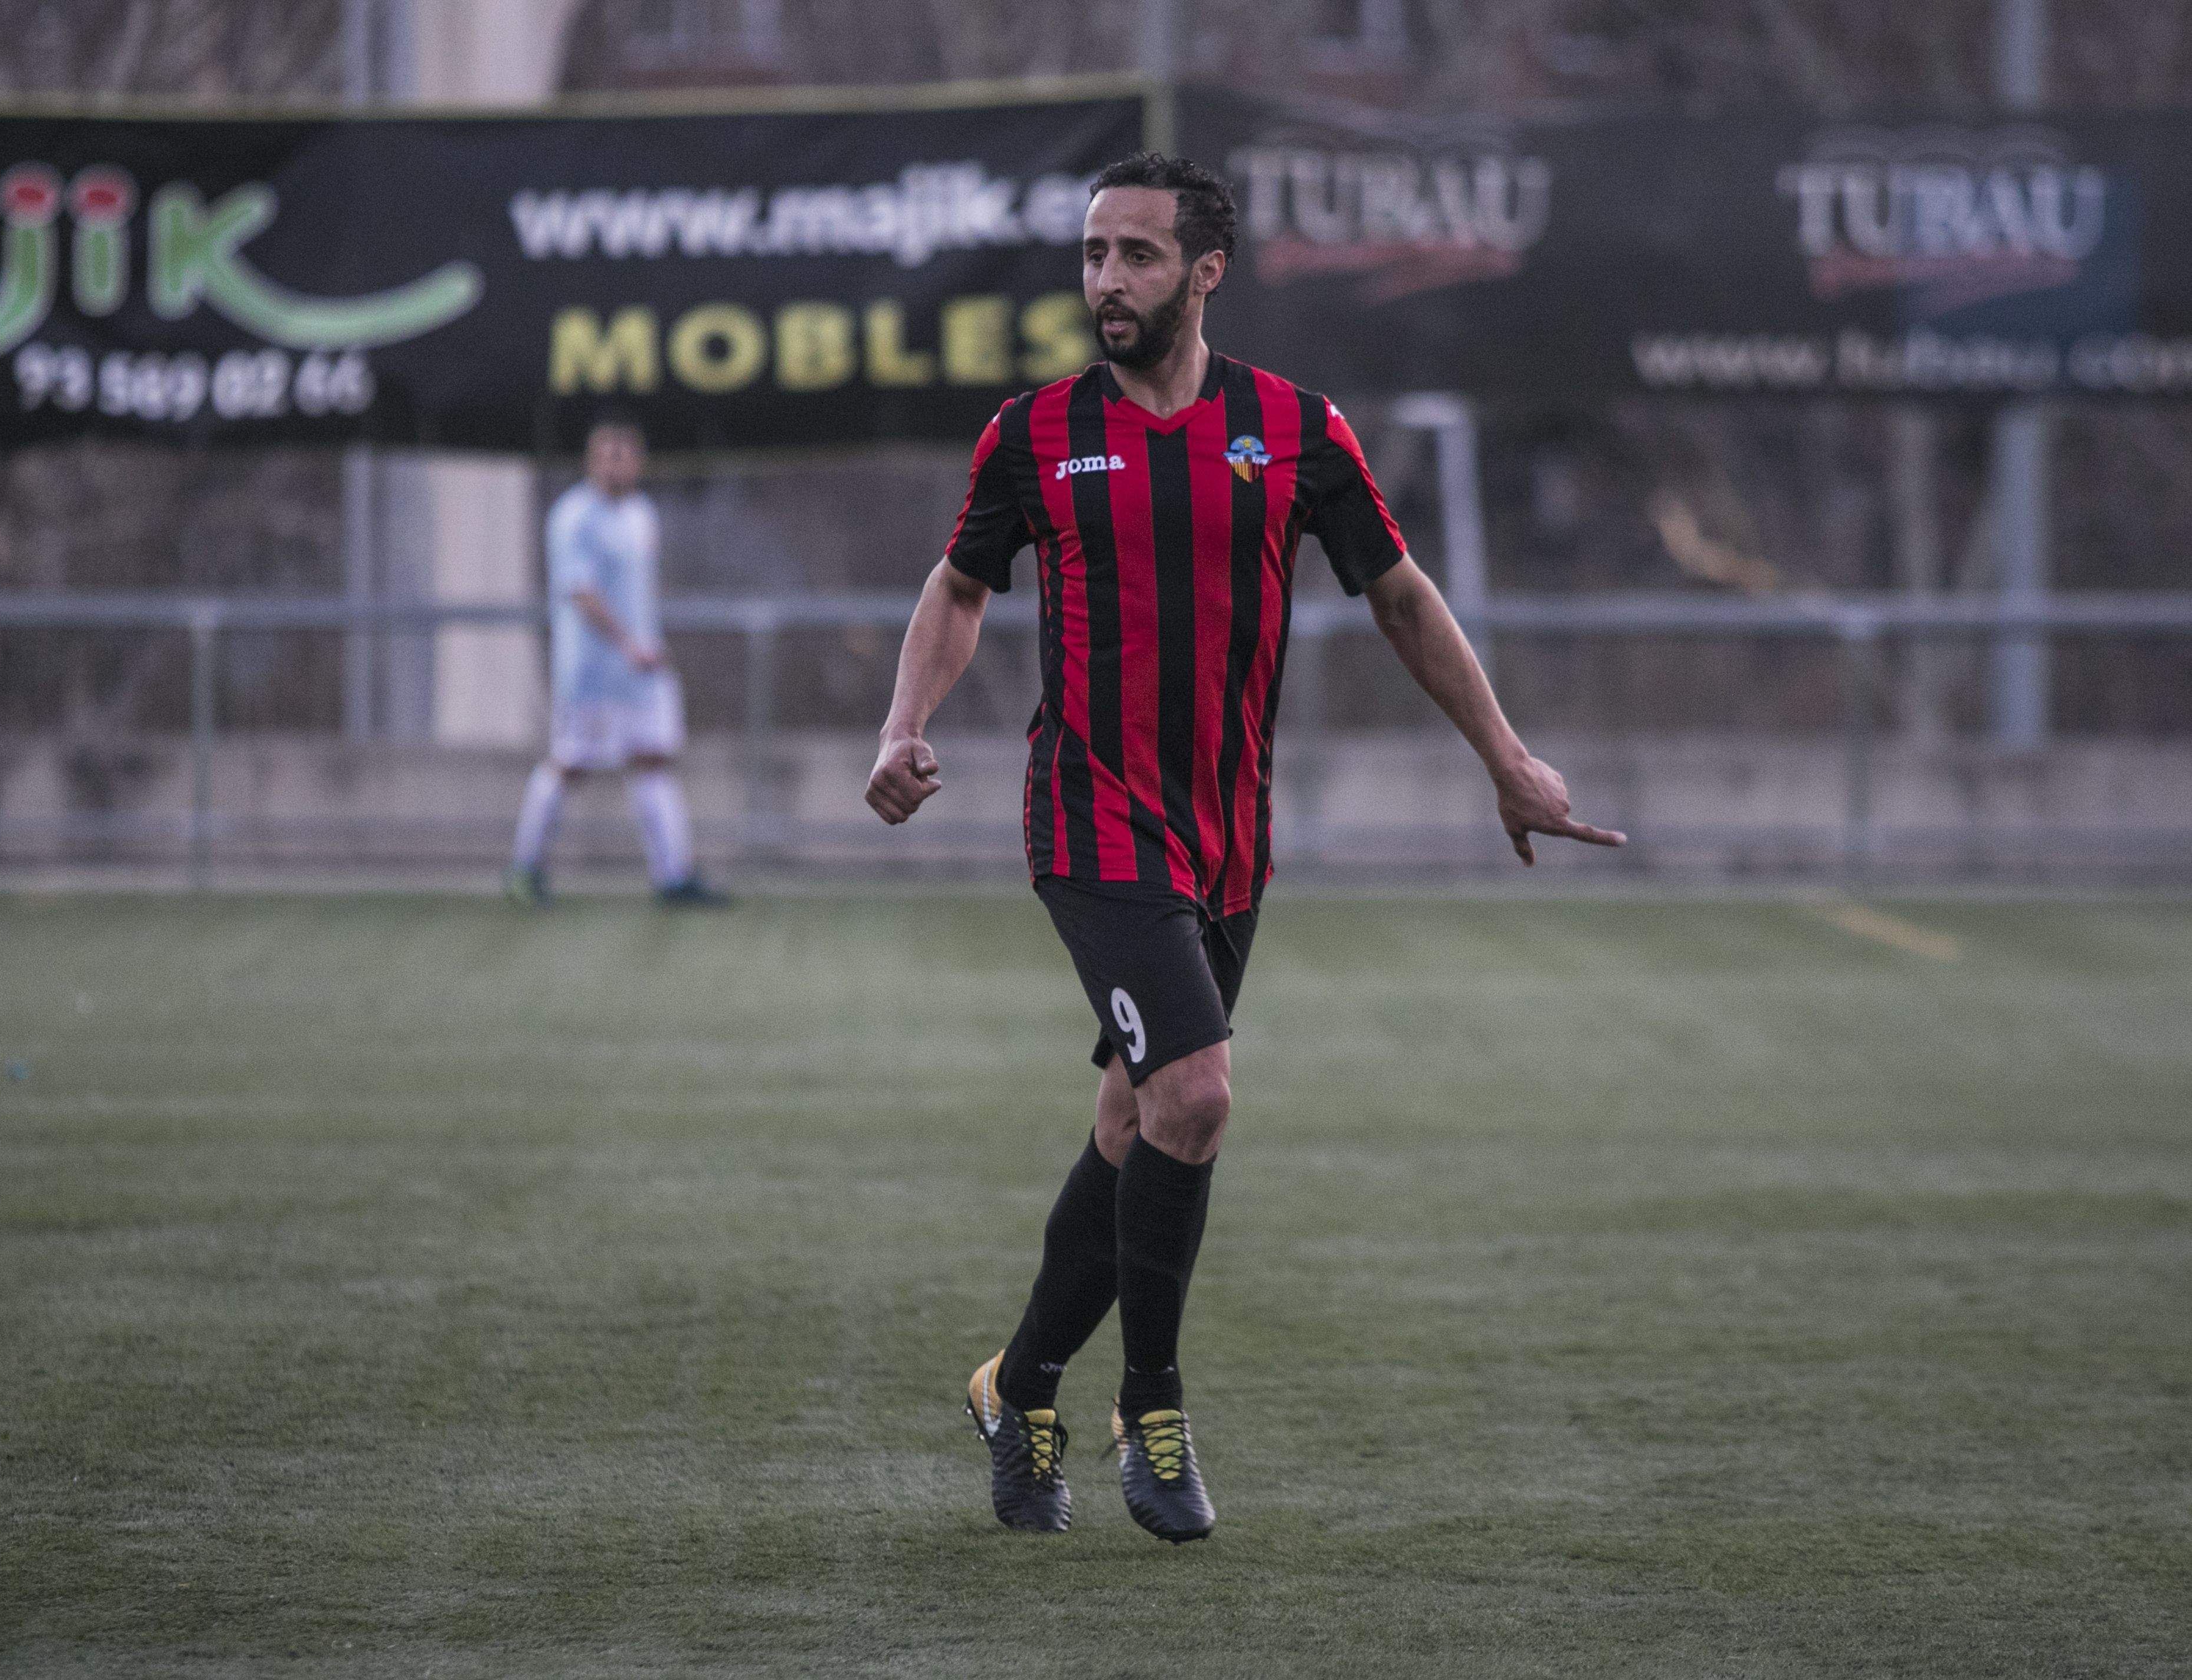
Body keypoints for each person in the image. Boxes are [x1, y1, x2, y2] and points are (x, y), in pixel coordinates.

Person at [866, 153, 1625, 1544]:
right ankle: (1147, 1410)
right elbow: (961, 583)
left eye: (1136, 256)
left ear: (1204, 272)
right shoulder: (1034, 433)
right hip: (1088, 820)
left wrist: (1507, 760)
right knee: (1198, 1094)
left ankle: (1017, 1381)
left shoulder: (1292, 428)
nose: (1105, 279)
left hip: (1226, 836)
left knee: (1133, 1120)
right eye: (1093, 252)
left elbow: (1397, 593)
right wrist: (903, 721)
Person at [509, 413, 727, 907]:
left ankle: (674, 877)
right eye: (608, 454)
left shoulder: (641, 514)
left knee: (655, 761)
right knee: (570, 764)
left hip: (644, 672)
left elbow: (639, 591)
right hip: (592, 673)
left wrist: (648, 641)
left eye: (626, 454)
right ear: (591, 460)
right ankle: (525, 868)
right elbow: (581, 593)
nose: (617, 464)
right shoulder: (574, 516)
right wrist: (628, 643)